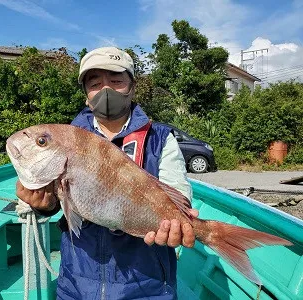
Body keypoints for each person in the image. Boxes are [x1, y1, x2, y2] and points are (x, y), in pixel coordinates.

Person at [16, 47, 198, 299]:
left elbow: (178, 194)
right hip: (77, 285)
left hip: (147, 287)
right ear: (85, 95)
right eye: (95, 83)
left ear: (132, 86)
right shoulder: (68, 139)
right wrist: (44, 206)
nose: (106, 90)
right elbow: (61, 203)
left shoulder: (160, 139)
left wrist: (179, 223)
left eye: (116, 81)